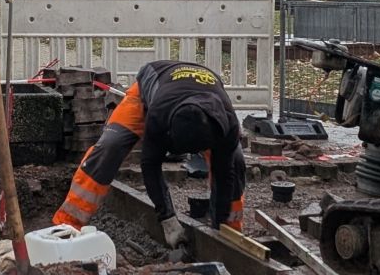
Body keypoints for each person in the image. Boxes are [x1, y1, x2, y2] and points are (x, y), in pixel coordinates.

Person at [52, 60, 245, 247]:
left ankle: (230, 231)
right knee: (110, 146)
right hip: (150, 86)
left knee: (235, 162)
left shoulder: (228, 124)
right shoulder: (158, 114)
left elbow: (225, 174)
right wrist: (167, 218)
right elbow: (150, 165)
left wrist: (219, 233)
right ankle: (67, 225)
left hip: (201, 97)